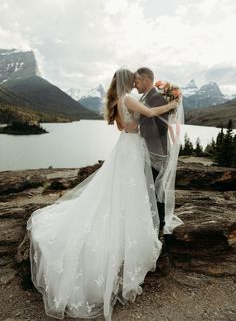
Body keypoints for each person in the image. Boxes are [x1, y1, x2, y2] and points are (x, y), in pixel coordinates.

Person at [26, 68, 178, 321]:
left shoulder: (118, 100)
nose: (135, 82)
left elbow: (126, 126)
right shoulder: (129, 98)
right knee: (130, 191)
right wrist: (172, 103)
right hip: (132, 149)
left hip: (125, 147)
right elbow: (149, 113)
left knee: (120, 191)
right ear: (127, 82)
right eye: (133, 79)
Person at [133, 67, 184, 264]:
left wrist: (142, 136)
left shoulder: (156, 98)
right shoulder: (147, 97)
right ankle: (153, 226)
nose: (135, 85)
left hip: (156, 152)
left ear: (146, 79)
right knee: (150, 190)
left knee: (156, 191)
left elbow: (161, 128)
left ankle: (160, 229)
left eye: (137, 81)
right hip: (148, 151)